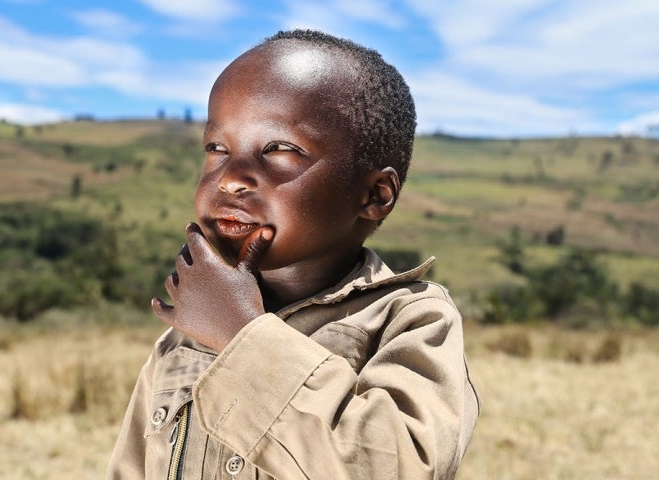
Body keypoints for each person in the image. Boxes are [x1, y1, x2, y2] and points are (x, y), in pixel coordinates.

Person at [108, 29, 479, 480]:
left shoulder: (412, 321)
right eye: (217, 148)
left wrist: (242, 335)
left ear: (374, 194)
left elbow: (401, 467)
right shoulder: (184, 338)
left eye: (280, 149)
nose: (231, 179)